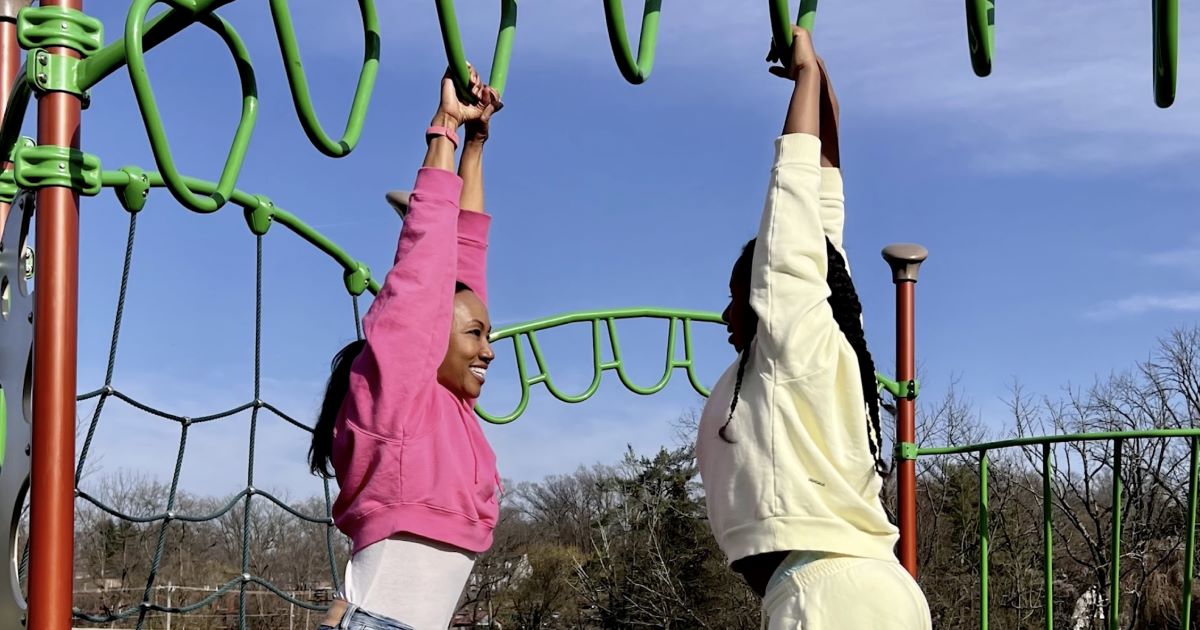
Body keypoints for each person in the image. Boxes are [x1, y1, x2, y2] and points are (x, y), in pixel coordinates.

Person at [695, 27, 932, 629]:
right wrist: (819, 78)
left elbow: (798, 205)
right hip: (868, 585)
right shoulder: (816, 357)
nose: (727, 316)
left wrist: (804, 82)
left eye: (737, 299)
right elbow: (826, 200)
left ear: (766, 293)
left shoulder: (793, 344)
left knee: (795, 225)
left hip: (826, 592)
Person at [307, 68, 503, 630]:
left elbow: (467, 263)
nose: (488, 350)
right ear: (429, 338)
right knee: (430, 274)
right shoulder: (398, 399)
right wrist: (442, 129)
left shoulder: (452, 409)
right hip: (374, 623)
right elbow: (426, 272)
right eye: (474, 336)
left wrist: (476, 144)